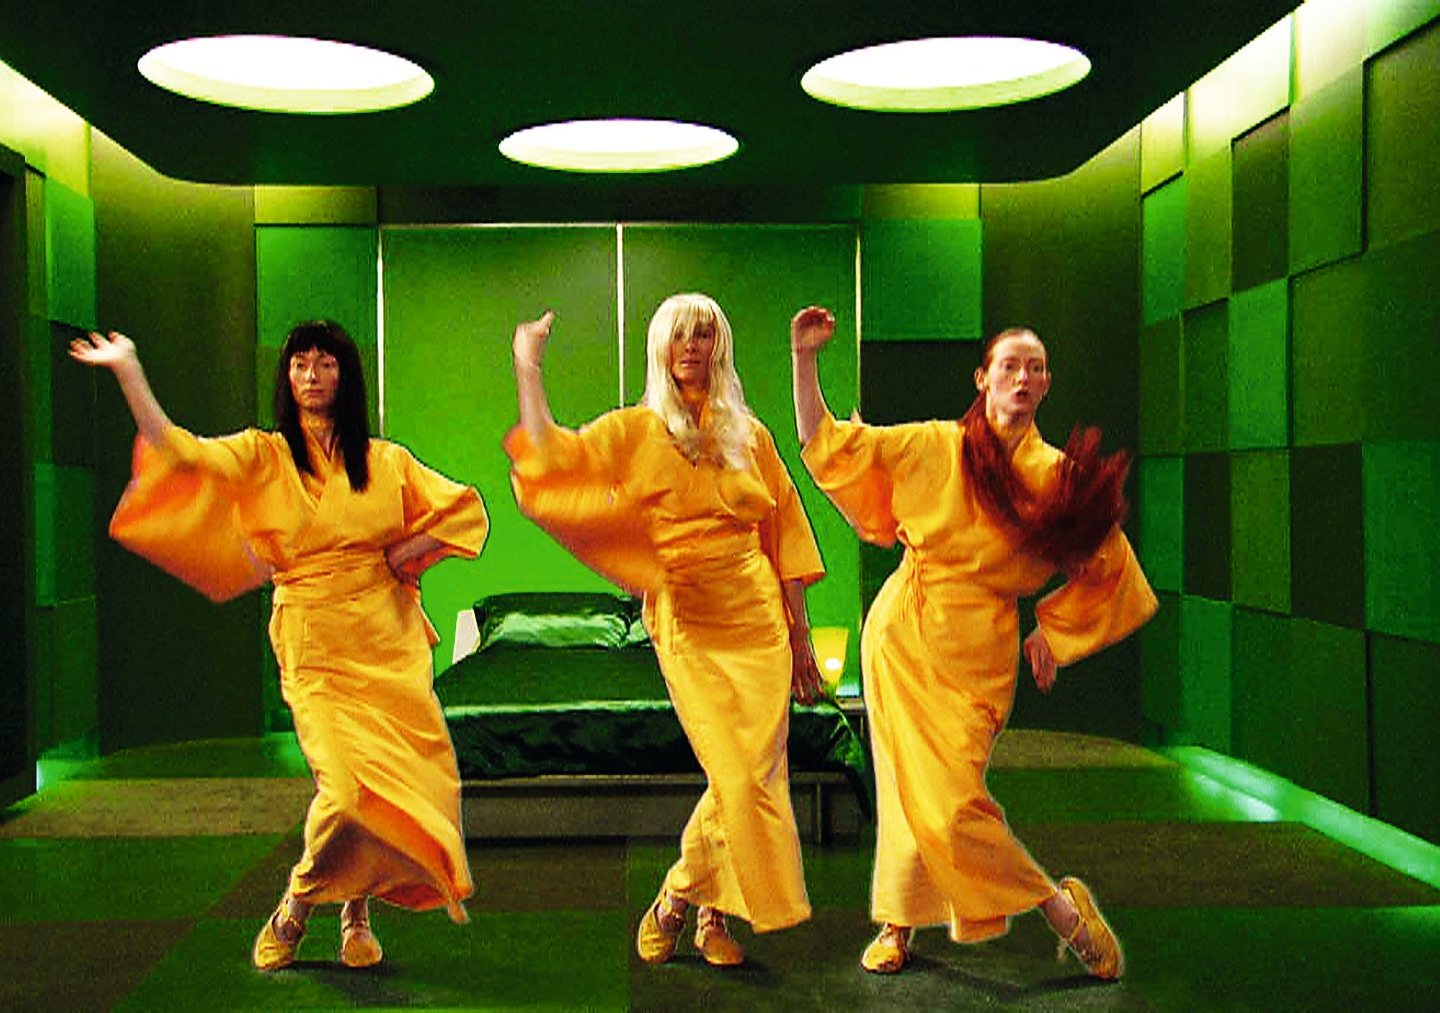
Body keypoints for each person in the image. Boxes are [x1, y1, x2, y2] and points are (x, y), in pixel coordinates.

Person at [70, 321, 487, 972]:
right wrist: (129, 370)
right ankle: (296, 904)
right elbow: (177, 451)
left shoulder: (386, 460)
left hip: (387, 639)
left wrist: (401, 554)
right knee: (347, 787)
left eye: (325, 363)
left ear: (345, 376)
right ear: (287, 376)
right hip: (314, 638)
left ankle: (355, 914)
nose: (312, 374)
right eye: (300, 363)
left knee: (401, 785)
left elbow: (463, 509)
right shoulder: (263, 454)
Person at [788, 306, 1156, 980]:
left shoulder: (1057, 475)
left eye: (1036, 368)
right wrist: (804, 359)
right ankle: (938, 919)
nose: (1022, 376)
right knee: (907, 789)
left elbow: (1116, 571)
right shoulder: (935, 445)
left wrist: (1057, 629)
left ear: (1045, 387)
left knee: (953, 801)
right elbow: (827, 444)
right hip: (903, 633)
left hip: (980, 650)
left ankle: (1054, 902)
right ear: (982, 378)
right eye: (1009, 365)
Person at [505, 295, 824, 967]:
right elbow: (549, 458)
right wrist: (527, 368)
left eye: (705, 333)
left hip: (757, 613)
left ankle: (704, 913)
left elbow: (785, 537)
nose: (692, 345)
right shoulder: (634, 429)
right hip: (686, 613)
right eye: (681, 333)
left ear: (720, 345)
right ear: (660, 345)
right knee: (735, 774)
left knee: (755, 769)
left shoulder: (751, 435)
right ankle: (680, 898)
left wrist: (800, 638)